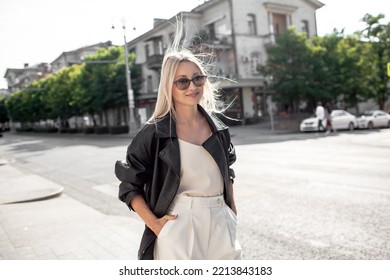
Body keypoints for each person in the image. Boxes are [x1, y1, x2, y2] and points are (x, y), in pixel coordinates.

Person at [115, 20, 242, 260]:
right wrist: (156, 225)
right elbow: (129, 186)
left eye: (198, 78)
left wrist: (232, 210)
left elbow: (229, 171)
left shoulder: (219, 129)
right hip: (178, 224)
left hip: (220, 220)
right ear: (168, 87)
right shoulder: (153, 134)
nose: (192, 86)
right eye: (182, 81)